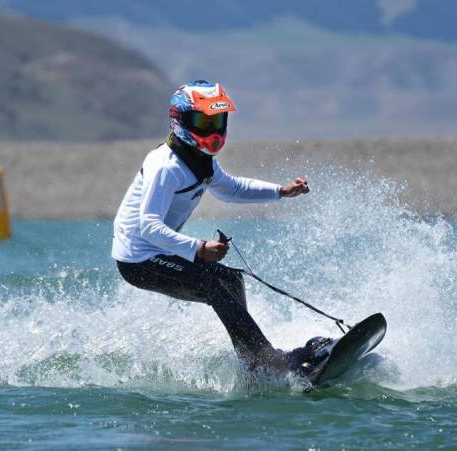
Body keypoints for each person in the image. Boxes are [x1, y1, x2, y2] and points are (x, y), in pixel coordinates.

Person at [111, 80, 324, 374]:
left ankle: (252, 364)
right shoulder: (166, 166)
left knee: (231, 281)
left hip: (159, 250)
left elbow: (232, 189)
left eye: (217, 121)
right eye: (203, 121)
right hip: (138, 259)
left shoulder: (201, 161)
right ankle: (266, 359)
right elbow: (147, 226)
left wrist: (281, 191)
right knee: (213, 285)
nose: (212, 130)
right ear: (181, 121)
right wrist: (198, 248)